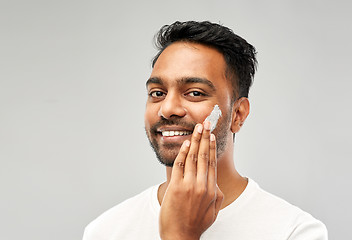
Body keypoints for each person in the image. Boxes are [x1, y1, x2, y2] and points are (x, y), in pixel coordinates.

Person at [83, 21, 328, 240]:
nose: (168, 109)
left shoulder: (295, 232)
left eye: (195, 93)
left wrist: (180, 236)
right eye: (157, 93)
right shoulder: (105, 231)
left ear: (238, 114)